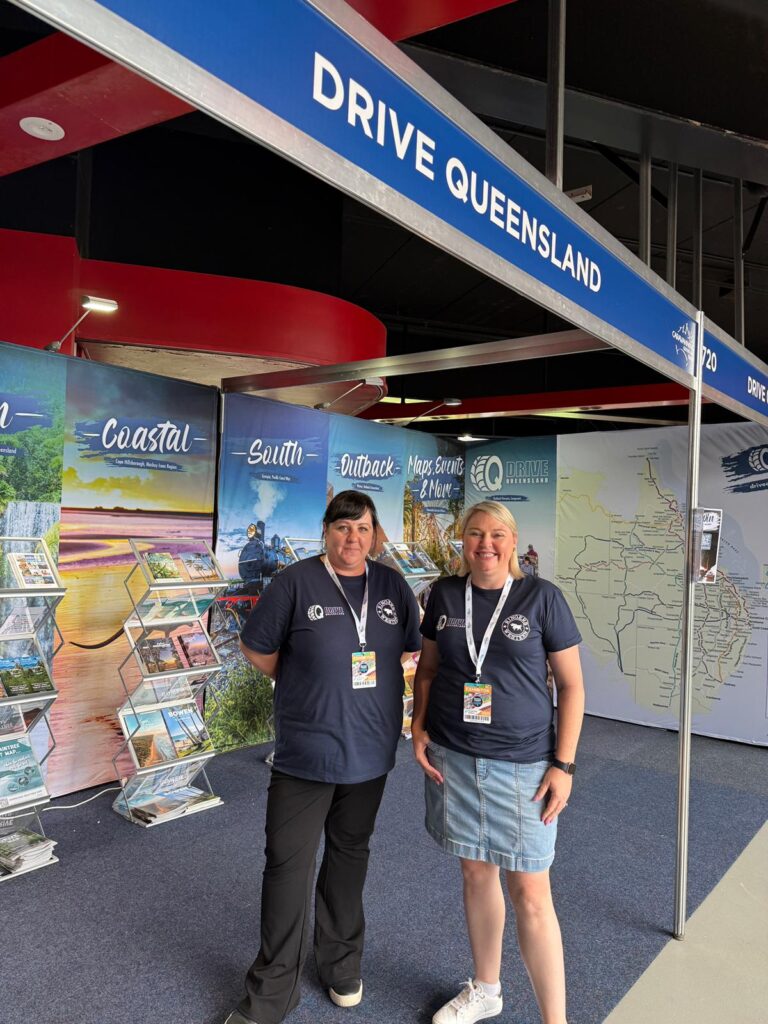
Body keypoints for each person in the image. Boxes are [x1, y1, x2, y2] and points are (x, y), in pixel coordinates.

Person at [225, 490, 422, 1024]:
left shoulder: (392, 586)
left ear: (374, 535)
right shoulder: (294, 582)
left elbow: (410, 648)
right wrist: (302, 680)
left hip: (371, 751)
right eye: (342, 527)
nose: (352, 538)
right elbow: (256, 647)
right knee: (287, 864)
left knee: (349, 855)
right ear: (326, 531)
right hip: (305, 753)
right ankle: (272, 992)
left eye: (362, 529)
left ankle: (339, 963)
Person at [411, 501, 584, 1024]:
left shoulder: (542, 598)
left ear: (512, 541)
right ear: (462, 539)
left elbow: (572, 687)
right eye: (474, 533)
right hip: (454, 757)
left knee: (530, 891)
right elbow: (428, 670)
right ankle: (486, 989)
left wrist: (564, 766)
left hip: (524, 765)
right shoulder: (443, 594)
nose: (485, 544)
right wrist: (418, 726)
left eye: (496, 535)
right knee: (475, 871)